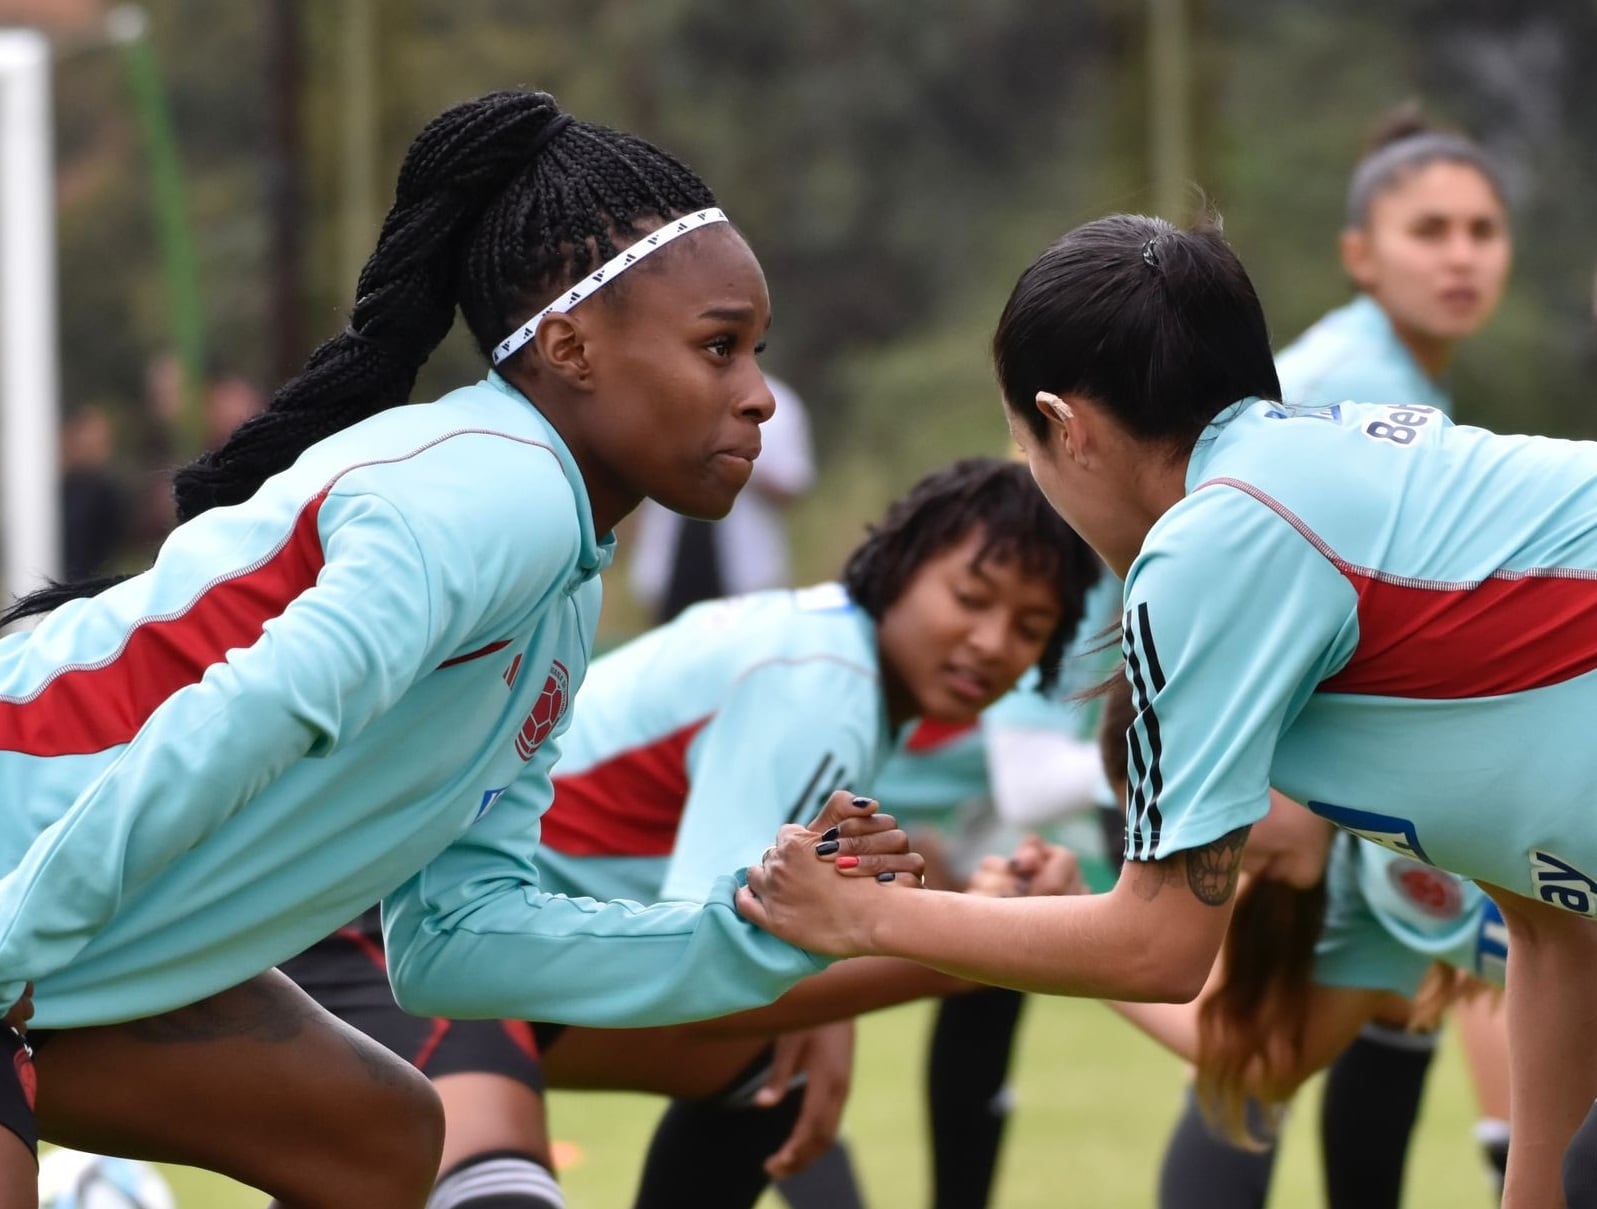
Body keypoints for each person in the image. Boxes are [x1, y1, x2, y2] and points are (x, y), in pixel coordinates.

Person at [0, 89, 917, 1209]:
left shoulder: (559, 589)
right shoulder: (499, 489)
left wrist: (763, 918)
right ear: (570, 347)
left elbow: (458, 938)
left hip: (42, 915)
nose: (760, 398)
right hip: (18, 888)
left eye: (754, 354)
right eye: (718, 348)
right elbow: (247, 713)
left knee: (374, 1137)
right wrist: (11, 949)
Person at [742, 209, 1597, 1209]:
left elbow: (1157, 946)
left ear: (1064, 427)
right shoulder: (1317, 479)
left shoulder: (1215, 538)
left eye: (1027, 450)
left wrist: (866, 912)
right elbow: (1555, 931)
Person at [287, 456, 1100, 1209]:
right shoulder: (823, 683)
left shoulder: (826, 651)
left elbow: (745, 943)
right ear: (902, 561)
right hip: (391, 918)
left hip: (497, 936)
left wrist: (836, 995)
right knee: (502, 1191)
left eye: (1030, 627)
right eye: (971, 597)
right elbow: (712, 969)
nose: (991, 641)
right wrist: (968, 952)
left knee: (771, 1076)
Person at [1225, 103, 1516, 1209]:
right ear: (1359, 253)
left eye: (1481, 231)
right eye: (1428, 231)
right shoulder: (1355, 380)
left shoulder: (1397, 374)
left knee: (1378, 999)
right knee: (1257, 1037)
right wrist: (1263, 762)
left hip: (1299, 738)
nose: (1459, 256)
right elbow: (1249, 566)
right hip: (1252, 739)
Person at [629, 375, 815, 623]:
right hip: (671, 569)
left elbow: (792, 486)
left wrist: (738, 462)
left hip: (747, 577)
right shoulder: (667, 392)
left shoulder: (776, 404)